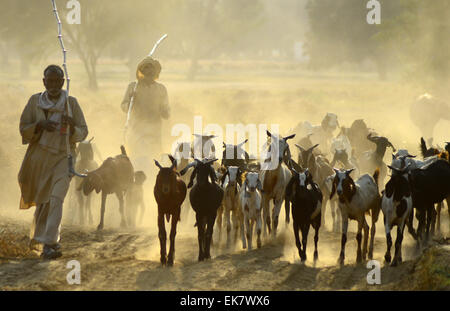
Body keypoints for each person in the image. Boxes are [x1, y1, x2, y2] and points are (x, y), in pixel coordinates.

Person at [18, 65, 88, 259]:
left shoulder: (71, 103)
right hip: (40, 159)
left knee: (57, 198)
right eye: (50, 81)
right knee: (44, 202)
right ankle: (41, 238)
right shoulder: (35, 102)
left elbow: (83, 132)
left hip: (64, 158)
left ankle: (50, 243)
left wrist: (72, 126)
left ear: (63, 82)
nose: (54, 85)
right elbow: (24, 129)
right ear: (44, 82)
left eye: (58, 81)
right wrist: (40, 125)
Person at [121, 57, 170, 175]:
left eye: (152, 70)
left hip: (154, 132)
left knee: (154, 159)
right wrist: (132, 102)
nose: (149, 72)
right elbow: (124, 106)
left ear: (156, 73)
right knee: (136, 159)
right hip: (137, 130)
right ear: (141, 71)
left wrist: (163, 111)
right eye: (146, 69)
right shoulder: (133, 87)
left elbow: (166, 113)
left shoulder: (161, 89)